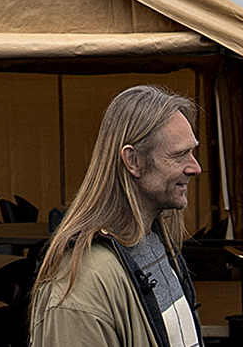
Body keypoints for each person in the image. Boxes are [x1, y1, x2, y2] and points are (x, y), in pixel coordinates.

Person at [30, 85, 204, 347]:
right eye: (179, 155)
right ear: (133, 161)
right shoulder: (81, 287)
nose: (196, 168)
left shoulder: (157, 244)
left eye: (192, 152)